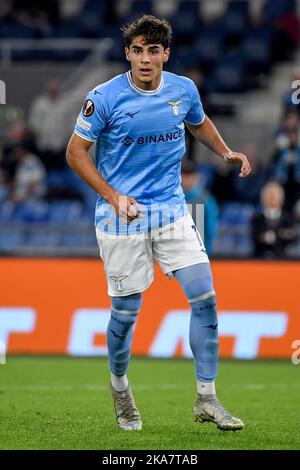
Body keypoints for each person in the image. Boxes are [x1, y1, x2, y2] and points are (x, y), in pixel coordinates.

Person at [66, 15, 251, 432]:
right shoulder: (104, 97)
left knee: (205, 298)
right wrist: (113, 196)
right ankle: (120, 388)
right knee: (126, 313)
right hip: (121, 218)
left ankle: (207, 399)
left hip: (171, 210)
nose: (145, 59)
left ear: (166, 54)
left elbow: (198, 122)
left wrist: (226, 152)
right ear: (127, 54)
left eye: (153, 50)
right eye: (137, 50)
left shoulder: (183, 90)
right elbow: (75, 153)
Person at [181, 158, 218, 256]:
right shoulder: (171, 199)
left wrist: (206, 252)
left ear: (196, 177)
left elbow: (210, 229)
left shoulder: (206, 200)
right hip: (176, 254)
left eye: (189, 175)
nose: (186, 178)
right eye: (184, 175)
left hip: (198, 253)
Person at [251, 181, 295, 258]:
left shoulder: (288, 218)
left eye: (275, 194)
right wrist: (281, 234)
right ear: (262, 198)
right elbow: (255, 236)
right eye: (269, 194)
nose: (272, 197)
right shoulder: (256, 218)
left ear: (282, 198)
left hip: (284, 261)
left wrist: (274, 236)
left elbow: (291, 236)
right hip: (259, 260)